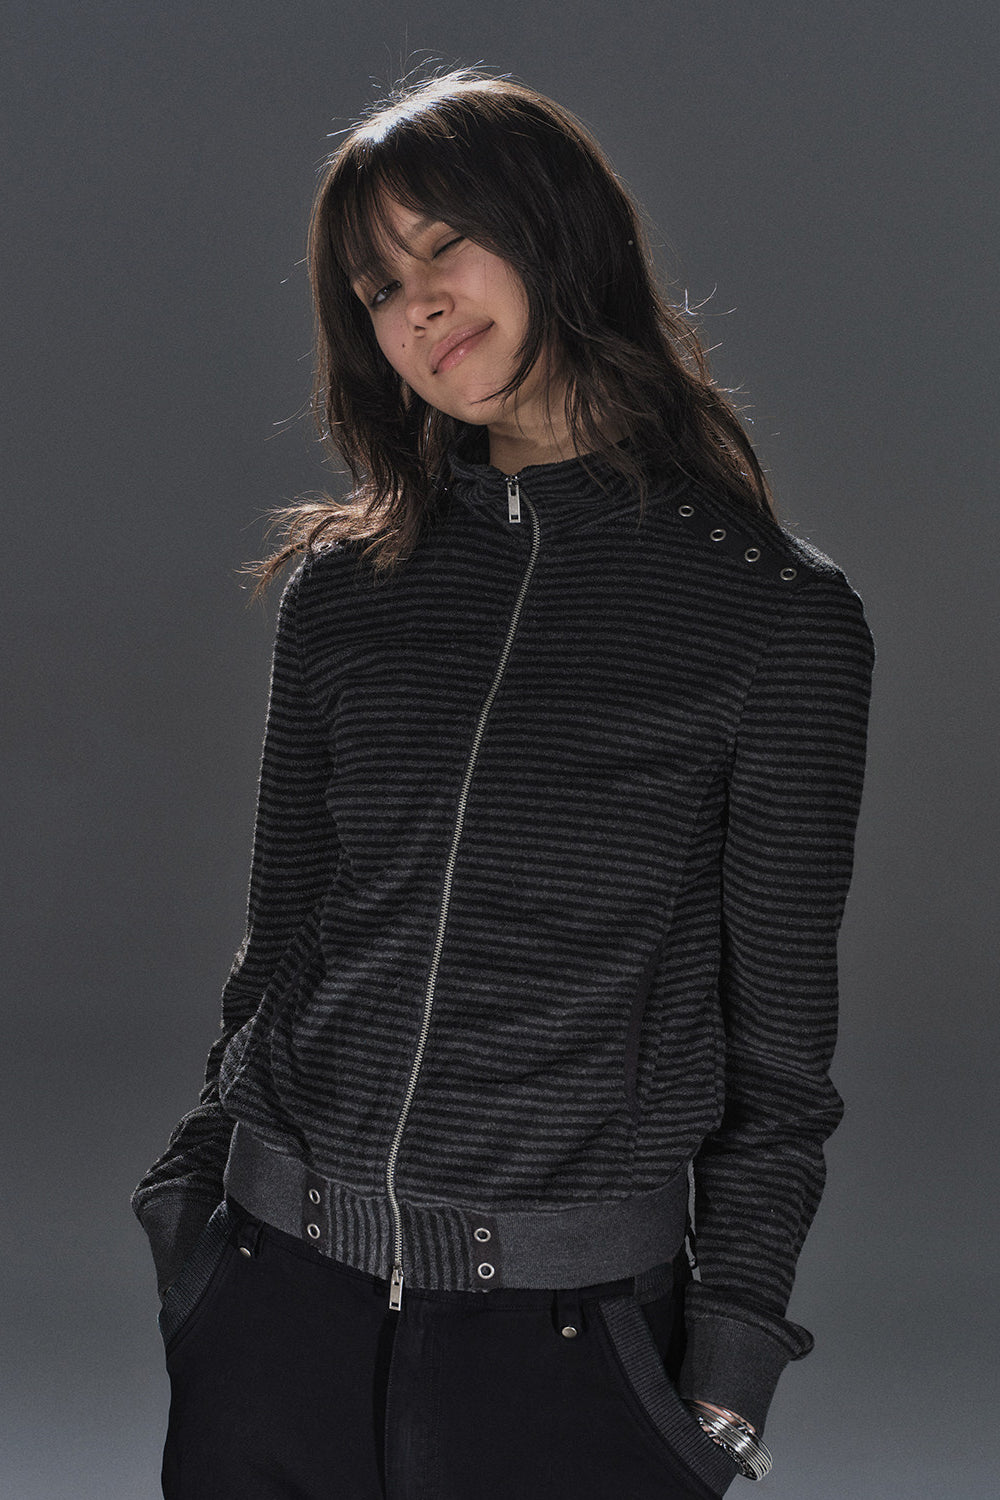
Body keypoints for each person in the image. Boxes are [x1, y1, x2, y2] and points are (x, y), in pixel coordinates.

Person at [131, 66, 876, 1500]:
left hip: (561, 1355)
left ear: (555, 233)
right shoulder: (348, 592)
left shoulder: (772, 618)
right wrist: (192, 1219)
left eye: (442, 248)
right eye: (374, 288)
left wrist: (725, 1380)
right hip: (273, 1309)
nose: (414, 306)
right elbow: (281, 945)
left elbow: (780, 1065)